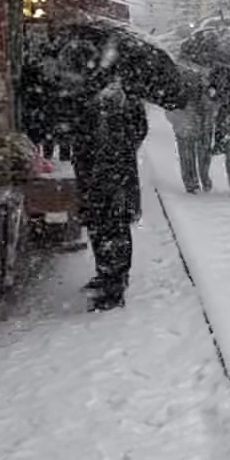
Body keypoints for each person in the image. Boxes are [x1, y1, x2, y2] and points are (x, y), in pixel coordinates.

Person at [70, 75, 149, 312]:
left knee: (111, 227)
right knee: (105, 226)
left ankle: (113, 285)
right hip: (106, 174)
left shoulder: (118, 102)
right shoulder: (95, 99)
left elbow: (137, 131)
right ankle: (108, 275)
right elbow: (139, 131)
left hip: (110, 175)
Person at [166, 61, 230, 193]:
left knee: (188, 153)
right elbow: (215, 102)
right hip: (197, 122)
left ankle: (192, 182)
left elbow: (170, 108)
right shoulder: (206, 80)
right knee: (201, 153)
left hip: (189, 123)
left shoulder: (182, 81)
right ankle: (201, 180)